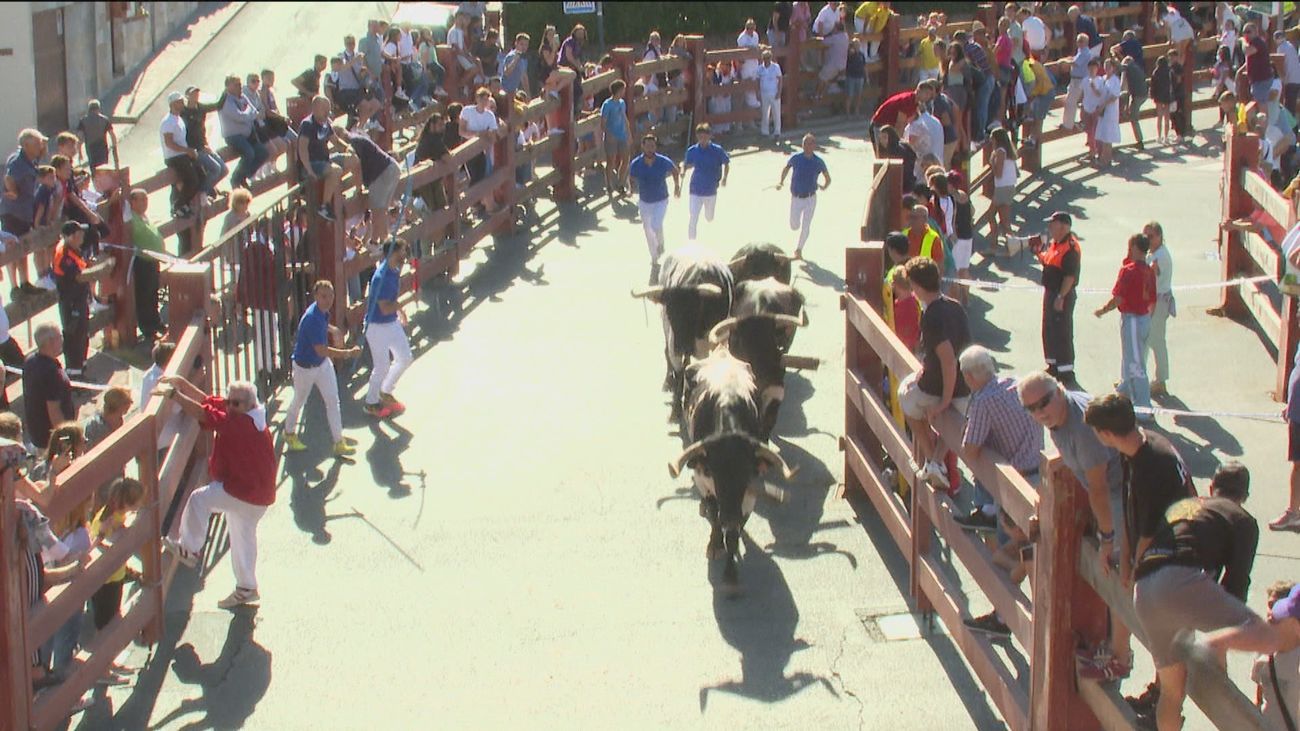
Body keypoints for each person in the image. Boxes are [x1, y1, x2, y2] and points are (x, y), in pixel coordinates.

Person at [1018, 371, 1132, 680]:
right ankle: (1111, 647)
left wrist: (1107, 537)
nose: (1040, 412)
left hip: (1122, 494)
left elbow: (1098, 488)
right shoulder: (1060, 418)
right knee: (1112, 573)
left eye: (1044, 402)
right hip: (1112, 493)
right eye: (1031, 408)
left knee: (1118, 574)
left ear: (1059, 390)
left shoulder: (1081, 428)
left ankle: (1120, 657)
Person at [1131, 461, 1261, 730]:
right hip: (1179, 589)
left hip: (1144, 585)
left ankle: (1156, 699)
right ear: (1245, 496)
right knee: (1194, 685)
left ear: (1211, 488)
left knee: (1171, 688)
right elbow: (1236, 585)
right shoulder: (1243, 521)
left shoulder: (1189, 505)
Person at [160, 376, 275, 610]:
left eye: (235, 403)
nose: (229, 406)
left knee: (199, 500)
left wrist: (174, 395)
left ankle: (189, 549)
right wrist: (183, 383)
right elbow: (208, 402)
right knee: (242, 538)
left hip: (245, 491)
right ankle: (246, 587)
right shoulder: (247, 413)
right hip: (258, 493)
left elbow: (204, 415)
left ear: (249, 405)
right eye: (229, 401)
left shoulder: (243, 425)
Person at [953, 344, 1044, 537]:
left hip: (1013, 482)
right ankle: (987, 511)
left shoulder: (983, 401)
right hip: (1039, 474)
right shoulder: (1016, 383)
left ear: (968, 376)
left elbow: (970, 450)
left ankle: (986, 513)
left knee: (1007, 540)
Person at [897, 256, 971, 488]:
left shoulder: (931, 317)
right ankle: (936, 461)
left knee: (905, 396)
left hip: (942, 387)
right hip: (966, 388)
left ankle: (932, 459)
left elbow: (948, 361)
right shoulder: (955, 306)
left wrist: (944, 402)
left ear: (918, 287)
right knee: (953, 422)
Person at [1200, 581, 1300, 729]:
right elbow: (1259, 698)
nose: (1271, 613)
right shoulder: (1264, 652)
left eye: (1279, 607)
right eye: (1270, 605)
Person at [283, 281, 362, 457]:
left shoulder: (322, 312)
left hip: (322, 364)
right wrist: (347, 353)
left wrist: (333, 330)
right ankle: (288, 433)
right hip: (305, 368)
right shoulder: (312, 318)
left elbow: (323, 331)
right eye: (324, 296)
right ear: (316, 297)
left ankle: (338, 442)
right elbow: (321, 350)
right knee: (299, 400)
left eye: (331, 295)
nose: (328, 300)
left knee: (332, 400)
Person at [1094, 233, 1157, 415]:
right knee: (1131, 357)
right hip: (1144, 317)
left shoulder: (1128, 271)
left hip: (1133, 319)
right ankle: (1125, 391)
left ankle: (1143, 406)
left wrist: (1103, 310)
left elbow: (1118, 298)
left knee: (1136, 363)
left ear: (1136, 248)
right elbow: (1153, 299)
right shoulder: (1149, 271)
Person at [52, 222, 111, 377]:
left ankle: (81, 369)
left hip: (79, 299)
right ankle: (74, 374)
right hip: (71, 302)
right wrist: (101, 269)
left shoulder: (74, 249)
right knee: (74, 336)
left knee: (82, 334)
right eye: (79, 234)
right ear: (70, 237)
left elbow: (82, 266)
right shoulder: (63, 254)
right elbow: (79, 276)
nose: (82, 237)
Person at [363, 239, 413, 418]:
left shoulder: (394, 271)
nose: (405, 255)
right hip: (376, 326)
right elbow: (384, 308)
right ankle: (371, 402)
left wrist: (401, 312)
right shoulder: (381, 277)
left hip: (391, 322)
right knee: (382, 366)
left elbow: (392, 300)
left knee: (405, 358)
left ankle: (385, 390)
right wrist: (409, 300)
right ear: (393, 253)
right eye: (403, 251)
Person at [1037, 212, 1081, 382]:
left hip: (1061, 294)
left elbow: (1069, 277)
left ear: (1063, 226)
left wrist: (1061, 297)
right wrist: (1039, 254)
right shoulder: (1056, 243)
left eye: (1053, 223)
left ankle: (1066, 371)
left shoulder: (1070, 248)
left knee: (1061, 331)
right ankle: (1053, 365)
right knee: (1049, 329)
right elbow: (1049, 261)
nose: (1049, 227)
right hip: (1051, 292)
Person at [339, 125, 399, 243]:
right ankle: (382, 240)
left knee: (377, 211)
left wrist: (358, 190)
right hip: (391, 169)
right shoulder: (358, 139)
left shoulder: (352, 144)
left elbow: (356, 166)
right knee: (382, 210)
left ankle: (379, 241)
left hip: (380, 174)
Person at [628, 134, 680, 268]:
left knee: (656, 224)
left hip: (661, 199)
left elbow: (675, 170)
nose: (650, 149)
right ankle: (654, 256)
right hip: (645, 201)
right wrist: (630, 189)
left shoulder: (663, 161)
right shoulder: (636, 163)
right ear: (643, 147)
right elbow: (631, 177)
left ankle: (660, 243)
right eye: (648, 146)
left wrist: (677, 187)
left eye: (653, 146)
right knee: (647, 229)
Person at [776, 133, 830, 260]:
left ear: (814, 145)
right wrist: (781, 181)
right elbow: (786, 168)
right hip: (796, 197)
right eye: (805, 143)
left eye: (810, 144)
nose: (807, 146)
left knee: (806, 226)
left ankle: (799, 249)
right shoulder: (796, 158)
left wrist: (824, 186)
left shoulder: (818, 162)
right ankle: (798, 237)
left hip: (810, 198)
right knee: (794, 225)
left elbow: (828, 178)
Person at [22, 323, 74, 452]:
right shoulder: (51, 373)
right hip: (51, 442)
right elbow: (54, 411)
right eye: (60, 336)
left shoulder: (30, 361)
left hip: (37, 435)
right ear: (50, 342)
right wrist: (65, 440)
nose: (62, 339)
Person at [297, 95, 349, 222]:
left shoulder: (326, 124)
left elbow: (336, 141)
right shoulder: (307, 124)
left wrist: (349, 148)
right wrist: (309, 170)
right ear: (315, 108)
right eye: (325, 109)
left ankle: (338, 189)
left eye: (328, 109)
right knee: (336, 170)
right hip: (311, 164)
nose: (327, 112)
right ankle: (324, 205)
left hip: (325, 161)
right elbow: (302, 149)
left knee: (353, 160)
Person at [125, 188, 166, 342]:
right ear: (133, 202)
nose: (145, 203)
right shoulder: (131, 217)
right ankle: (148, 329)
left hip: (153, 260)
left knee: (153, 293)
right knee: (144, 295)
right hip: (142, 261)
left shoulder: (144, 217)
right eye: (141, 199)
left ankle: (156, 322)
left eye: (146, 199)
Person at [181, 85, 230, 201]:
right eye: (193, 94)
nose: (196, 96)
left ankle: (208, 189)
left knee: (224, 170)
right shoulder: (183, 112)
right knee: (215, 168)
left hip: (203, 146)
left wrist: (225, 92)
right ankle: (202, 193)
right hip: (193, 150)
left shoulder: (201, 108)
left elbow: (218, 105)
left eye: (197, 94)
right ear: (187, 96)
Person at [219, 75, 267, 191]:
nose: (240, 87)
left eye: (240, 84)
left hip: (248, 133)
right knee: (249, 153)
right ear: (228, 86)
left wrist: (250, 113)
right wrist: (250, 114)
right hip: (233, 135)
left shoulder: (242, 97)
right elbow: (239, 116)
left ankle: (244, 176)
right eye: (236, 85)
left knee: (263, 152)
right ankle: (235, 179)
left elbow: (254, 110)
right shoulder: (225, 101)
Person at [682, 123, 729, 241]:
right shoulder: (692, 150)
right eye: (700, 137)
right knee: (693, 217)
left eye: (704, 137)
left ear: (709, 136)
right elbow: (685, 164)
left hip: (711, 189)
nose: (702, 140)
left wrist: (724, 178)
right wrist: (683, 171)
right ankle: (691, 242)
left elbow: (726, 163)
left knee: (709, 217)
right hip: (695, 188)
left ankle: (710, 232)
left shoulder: (717, 150)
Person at [1144, 221, 1174, 397]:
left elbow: (1153, 278)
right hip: (1153, 301)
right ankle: (1136, 377)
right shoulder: (1153, 253)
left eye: (1150, 236)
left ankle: (1161, 381)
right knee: (1146, 340)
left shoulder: (1160, 256)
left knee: (1156, 341)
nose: (1147, 240)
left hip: (1159, 302)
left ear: (1159, 236)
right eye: (1145, 236)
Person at [160, 92, 201, 219]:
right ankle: (178, 205)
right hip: (174, 157)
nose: (182, 104)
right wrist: (187, 151)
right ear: (172, 104)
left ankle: (184, 204)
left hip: (182, 155)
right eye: (179, 102)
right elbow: (169, 143)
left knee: (199, 176)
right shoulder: (168, 121)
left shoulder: (179, 119)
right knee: (192, 180)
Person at [871, 83, 934, 151]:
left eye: (930, 95)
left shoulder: (916, 103)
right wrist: (898, 144)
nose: (928, 97)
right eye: (926, 93)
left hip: (889, 128)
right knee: (885, 154)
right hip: (879, 126)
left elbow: (910, 120)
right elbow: (900, 125)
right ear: (918, 91)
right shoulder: (907, 101)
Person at [600, 80, 631, 194]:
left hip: (622, 135)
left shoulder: (622, 103)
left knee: (626, 159)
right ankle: (609, 184)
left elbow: (624, 118)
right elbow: (603, 123)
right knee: (611, 161)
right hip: (611, 137)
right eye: (623, 89)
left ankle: (620, 183)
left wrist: (629, 133)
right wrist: (609, 134)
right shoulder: (607, 105)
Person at [988, 127, 1018, 245]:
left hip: (1002, 188)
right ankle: (1009, 245)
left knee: (991, 216)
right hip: (1008, 187)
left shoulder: (1000, 152)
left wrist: (992, 163)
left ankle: (995, 245)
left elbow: (998, 174)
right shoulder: (1008, 151)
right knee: (1004, 220)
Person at [1062, 34, 1095, 133]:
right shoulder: (1081, 52)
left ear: (1086, 42)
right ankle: (1071, 123)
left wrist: (1063, 62)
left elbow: (1075, 63)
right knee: (1072, 102)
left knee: (1071, 102)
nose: (1078, 43)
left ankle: (1068, 125)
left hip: (1079, 80)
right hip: (1077, 79)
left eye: (1081, 41)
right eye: (1078, 41)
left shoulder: (1085, 52)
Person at [82, 385, 132, 450]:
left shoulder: (120, 420)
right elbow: (89, 449)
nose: (131, 403)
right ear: (119, 406)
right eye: (127, 402)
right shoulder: (94, 426)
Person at [77, 100, 117, 170]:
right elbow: (112, 135)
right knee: (103, 168)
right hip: (102, 147)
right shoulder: (105, 120)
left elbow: (80, 138)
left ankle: (94, 176)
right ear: (98, 108)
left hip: (90, 148)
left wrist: (80, 152)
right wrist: (114, 147)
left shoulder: (83, 121)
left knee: (93, 168)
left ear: (89, 109)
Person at [1121, 53, 1149, 151]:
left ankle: (1139, 142)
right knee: (1133, 116)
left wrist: (1125, 106)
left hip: (1138, 96)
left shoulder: (1128, 68)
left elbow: (1126, 88)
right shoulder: (1137, 68)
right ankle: (1139, 140)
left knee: (1134, 119)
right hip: (1143, 94)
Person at [1243, 22, 1275, 106]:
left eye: (1248, 32)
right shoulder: (1252, 43)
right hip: (1257, 80)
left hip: (1262, 80)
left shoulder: (1257, 42)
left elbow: (1248, 51)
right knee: (1259, 104)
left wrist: (1243, 42)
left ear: (1255, 32)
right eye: (1244, 32)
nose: (1246, 34)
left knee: (1262, 105)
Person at [757, 50, 784, 139]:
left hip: (774, 92)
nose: (766, 60)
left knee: (776, 112)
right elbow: (757, 81)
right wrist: (758, 92)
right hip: (764, 93)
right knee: (765, 113)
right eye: (765, 58)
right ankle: (765, 131)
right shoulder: (760, 68)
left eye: (768, 58)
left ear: (771, 58)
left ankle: (777, 131)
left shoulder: (776, 67)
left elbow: (780, 79)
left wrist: (779, 92)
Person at [738, 18, 763, 111]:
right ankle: (750, 111)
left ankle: (755, 110)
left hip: (755, 64)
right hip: (746, 65)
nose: (752, 30)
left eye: (753, 28)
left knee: (756, 85)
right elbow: (742, 51)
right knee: (748, 87)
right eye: (750, 28)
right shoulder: (742, 38)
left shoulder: (756, 35)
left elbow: (757, 46)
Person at [845, 38, 867, 116]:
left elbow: (864, 66)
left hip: (860, 76)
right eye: (855, 45)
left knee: (859, 95)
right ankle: (847, 112)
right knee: (849, 95)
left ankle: (856, 110)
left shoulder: (861, 55)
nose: (857, 46)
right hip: (851, 77)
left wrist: (866, 76)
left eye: (858, 45)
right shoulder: (849, 54)